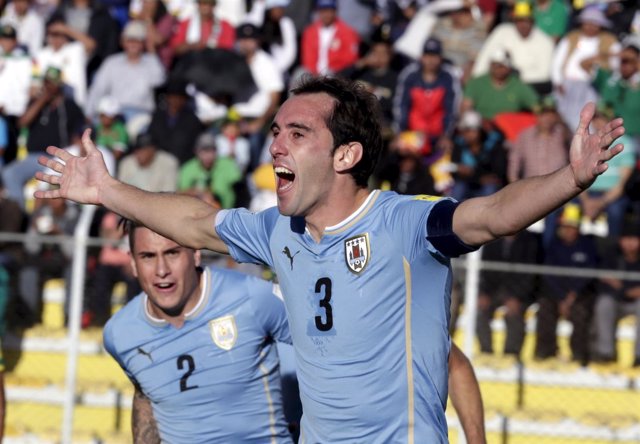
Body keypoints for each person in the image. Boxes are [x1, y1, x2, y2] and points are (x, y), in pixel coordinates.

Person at [35, 75, 625, 442]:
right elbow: (192, 221)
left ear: (346, 155)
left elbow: (493, 214)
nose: (275, 145)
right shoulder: (277, 231)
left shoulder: (404, 223)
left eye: (297, 133)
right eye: (274, 131)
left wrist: (570, 178)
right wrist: (106, 192)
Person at [102, 222, 294, 443]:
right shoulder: (119, 333)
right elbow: (145, 396)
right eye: (148, 256)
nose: (161, 270)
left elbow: (327, 347)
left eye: (172, 253)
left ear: (195, 254)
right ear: (133, 263)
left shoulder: (251, 297)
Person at [534, 203, 599, 365]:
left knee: (581, 312)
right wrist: (562, 297)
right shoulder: (553, 246)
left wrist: (571, 296)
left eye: (572, 227)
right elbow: (549, 275)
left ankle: (578, 355)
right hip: (556, 293)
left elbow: (588, 275)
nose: (569, 230)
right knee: (545, 307)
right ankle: (545, 352)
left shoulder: (588, 246)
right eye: (566, 227)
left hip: (580, 294)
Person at [592, 212, 640, 367]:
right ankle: (606, 354)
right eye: (626, 239)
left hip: (636, 303)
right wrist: (627, 289)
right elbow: (603, 283)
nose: (630, 243)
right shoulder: (611, 255)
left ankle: (639, 356)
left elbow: (612, 282)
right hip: (616, 301)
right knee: (604, 304)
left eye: (634, 239)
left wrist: (619, 285)